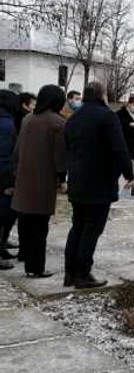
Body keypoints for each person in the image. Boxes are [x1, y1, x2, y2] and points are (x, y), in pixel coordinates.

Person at [64, 82, 134, 289]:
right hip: (99, 181)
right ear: (101, 95)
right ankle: (83, 274)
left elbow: (68, 146)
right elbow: (119, 147)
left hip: (77, 180)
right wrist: (128, 173)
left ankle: (70, 272)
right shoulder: (107, 116)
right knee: (92, 229)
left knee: (77, 226)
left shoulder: (73, 118)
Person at [11, 85, 67, 278]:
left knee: (25, 224)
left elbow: (17, 150)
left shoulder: (27, 119)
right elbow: (60, 156)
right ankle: (36, 268)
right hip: (43, 181)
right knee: (39, 228)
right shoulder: (57, 123)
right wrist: (62, 177)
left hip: (23, 178)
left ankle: (26, 260)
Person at [0, 90, 18, 269]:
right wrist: (7, 184)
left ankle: (2, 247)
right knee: (3, 215)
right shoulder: (6, 124)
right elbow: (4, 156)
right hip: (3, 178)